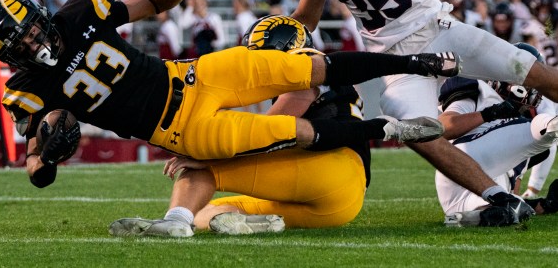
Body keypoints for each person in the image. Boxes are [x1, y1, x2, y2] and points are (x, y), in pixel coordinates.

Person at [0, 0, 456, 189]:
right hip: (179, 130)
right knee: (289, 131)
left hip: (191, 76)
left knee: (304, 66)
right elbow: (35, 166)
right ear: (8, 55)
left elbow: (146, 3)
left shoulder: (80, 9)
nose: (32, 43)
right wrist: (47, 160)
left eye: (33, 31)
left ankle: (418, 64)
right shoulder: (26, 91)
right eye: (19, 44)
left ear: (43, 16)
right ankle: (388, 131)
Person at [281, 0, 558, 225]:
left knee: (529, 70)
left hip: (438, 31)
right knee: (416, 129)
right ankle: (500, 198)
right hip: (393, 60)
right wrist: (279, 36)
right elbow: (308, 15)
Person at [109, 15, 436, 237]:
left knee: (202, 169)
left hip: (331, 167)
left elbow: (268, 131)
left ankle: (174, 224)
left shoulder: (305, 69)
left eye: (259, 55)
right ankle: (251, 225)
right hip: (340, 201)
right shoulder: (321, 66)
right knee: (210, 210)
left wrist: (210, 154)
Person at [437, 44, 558, 226]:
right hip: (460, 163)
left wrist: (546, 205)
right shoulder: (482, 92)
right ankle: (553, 124)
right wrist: (490, 113)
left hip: (462, 198)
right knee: (542, 130)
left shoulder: (519, 129)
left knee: (514, 208)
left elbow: (512, 189)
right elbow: (443, 128)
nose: (531, 86)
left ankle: (475, 218)